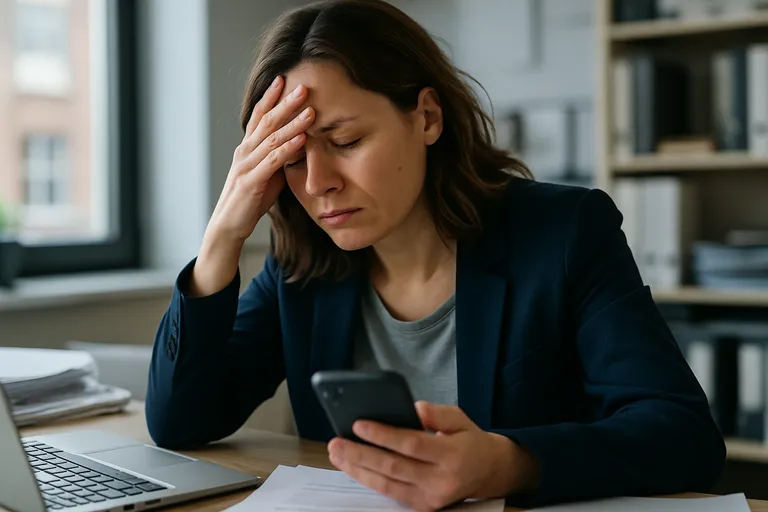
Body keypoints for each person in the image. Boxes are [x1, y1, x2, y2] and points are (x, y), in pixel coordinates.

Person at [145, 0, 725, 509]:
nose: (318, 182)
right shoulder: (304, 265)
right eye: (292, 158)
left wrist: (508, 463)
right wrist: (222, 236)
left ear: (426, 117)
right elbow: (181, 423)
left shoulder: (563, 232)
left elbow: (683, 437)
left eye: (346, 143)